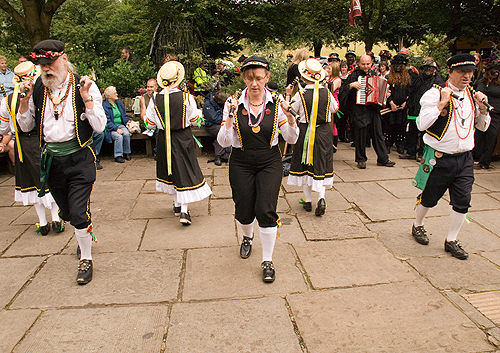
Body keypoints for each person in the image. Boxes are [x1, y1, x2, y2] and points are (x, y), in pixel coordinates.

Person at [17, 39, 106, 284]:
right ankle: (83, 232)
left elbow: (99, 126)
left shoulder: (84, 85)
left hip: (80, 158)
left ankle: (85, 259)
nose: (46, 68)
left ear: (64, 59)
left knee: (78, 213)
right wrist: (24, 102)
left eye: (50, 62)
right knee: (67, 213)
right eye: (41, 64)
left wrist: (86, 98)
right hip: (52, 161)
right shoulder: (37, 88)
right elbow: (26, 126)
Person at [217, 56, 299, 283]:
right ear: (244, 78)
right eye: (250, 78)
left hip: (269, 161)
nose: (254, 83)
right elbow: (224, 142)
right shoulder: (232, 104)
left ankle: (267, 260)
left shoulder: (277, 103)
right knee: (243, 207)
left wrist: (291, 118)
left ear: (267, 78)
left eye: (259, 78)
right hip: (241, 161)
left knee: (266, 209)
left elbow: (290, 137)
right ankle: (247, 237)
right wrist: (231, 118)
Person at [411, 53, 490, 260]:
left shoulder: (473, 95)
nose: (467, 76)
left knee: (463, 200)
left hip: (464, 158)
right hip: (439, 157)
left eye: (470, 72)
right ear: (450, 72)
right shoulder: (434, 93)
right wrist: (442, 103)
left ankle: (451, 240)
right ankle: (417, 224)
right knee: (429, 198)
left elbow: (482, 126)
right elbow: (421, 124)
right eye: (461, 72)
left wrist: (483, 108)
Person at [146, 60, 211, 225]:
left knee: (171, 169)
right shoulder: (186, 97)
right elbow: (195, 119)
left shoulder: (154, 98)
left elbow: (150, 124)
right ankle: (183, 210)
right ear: (177, 79)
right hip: (182, 138)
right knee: (184, 170)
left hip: (163, 138)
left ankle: (177, 205)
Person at [286, 58, 338, 216]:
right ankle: (321, 198)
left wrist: (288, 95)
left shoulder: (300, 95)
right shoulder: (327, 93)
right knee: (321, 164)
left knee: (305, 164)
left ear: (303, 77)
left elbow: (289, 111)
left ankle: (307, 201)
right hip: (323, 132)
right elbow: (334, 109)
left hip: (305, 132)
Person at [339, 54, 395, 169]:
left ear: (372, 64)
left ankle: (383, 159)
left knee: (378, 133)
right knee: (360, 135)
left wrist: (385, 95)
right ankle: (361, 159)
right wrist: (351, 85)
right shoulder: (354, 75)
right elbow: (342, 91)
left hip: (373, 109)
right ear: (359, 64)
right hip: (359, 109)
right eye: (363, 64)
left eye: (368, 64)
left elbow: (380, 92)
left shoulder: (374, 74)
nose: (366, 66)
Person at [400, 57, 445, 160]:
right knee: (412, 131)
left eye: (430, 68)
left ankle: (422, 154)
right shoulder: (418, 78)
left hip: (428, 110)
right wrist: (408, 105)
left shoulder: (438, 81)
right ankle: (411, 152)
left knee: (426, 133)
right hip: (414, 109)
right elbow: (412, 92)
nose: (428, 70)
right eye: (426, 68)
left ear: (435, 69)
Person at [474, 57, 500, 169]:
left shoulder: (498, 83)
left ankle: (485, 161)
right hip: (482, 112)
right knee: (479, 135)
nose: (496, 72)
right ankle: (477, 157)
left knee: (492, 135)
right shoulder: (481, 82)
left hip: (496, 113)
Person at [384, 54, 411, 154]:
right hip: (391, 105)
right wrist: (391, 102)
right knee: (389, 125)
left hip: (402, 106)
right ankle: (388, 144)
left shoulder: (408, 78)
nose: (398, 67)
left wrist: (405, 103)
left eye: (400, 65)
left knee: (401, 126)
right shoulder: (388, 77)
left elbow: (410, 92)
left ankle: (400, 144)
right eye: (396, 65)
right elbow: (386, 91)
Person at [102, 86, 132, 163]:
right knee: (118, 136)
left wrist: (128, 121)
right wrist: (116, 128)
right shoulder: (105, 106)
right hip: (110, 128)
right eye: (114, 93)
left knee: (126, 134)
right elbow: (106, 121)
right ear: (109, 96)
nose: (117, 94)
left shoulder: (118, 103)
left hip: (120, 125)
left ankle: (127, 152)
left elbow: (124, 115)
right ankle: (118, 156)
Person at [203, 90, 230, 165]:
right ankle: (219, 155)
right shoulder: (208, 105)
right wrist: (225, 119)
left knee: (229, 130)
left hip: (222, 122)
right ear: (218, 102)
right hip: (211, 125)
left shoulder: (223, 102)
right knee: (221, 132)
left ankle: (226, 153)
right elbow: (214, 118)